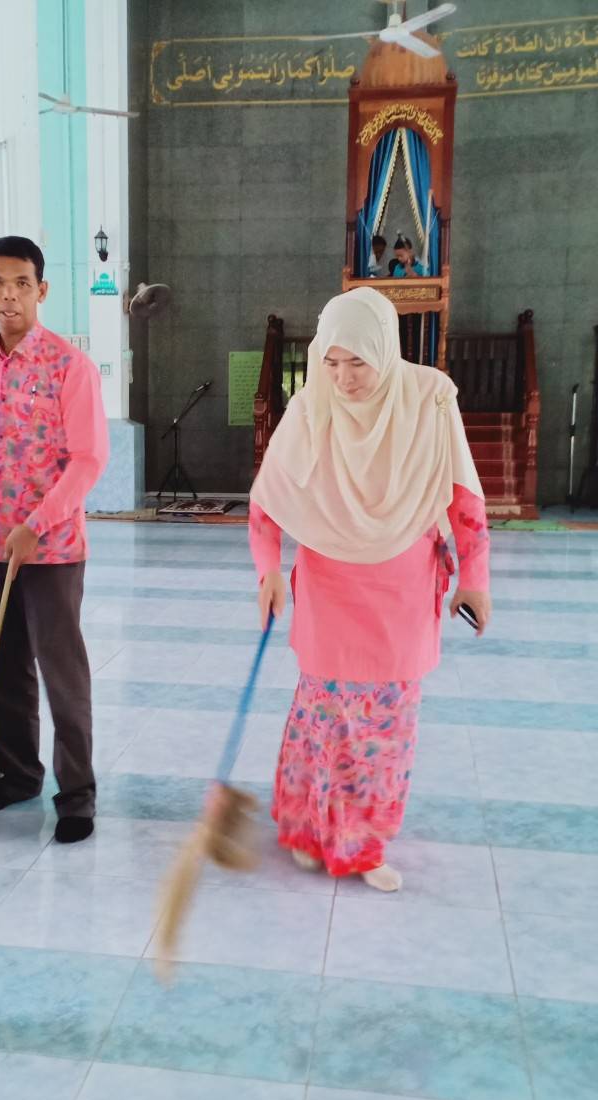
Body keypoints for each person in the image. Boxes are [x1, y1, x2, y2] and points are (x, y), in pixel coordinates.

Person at [249, 287, 490, 892]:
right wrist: (268, 570)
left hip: (402, 588)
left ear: (385, 349)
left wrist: (475, 578)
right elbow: (267, 500)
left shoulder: (430, 398)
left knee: (384, 725)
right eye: (331, 362)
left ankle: (362, 843)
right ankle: (310, 829)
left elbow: (464, 496)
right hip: (328, 585)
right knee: (323, 716)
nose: (343, 377)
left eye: (357, 361)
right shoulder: (311, 406)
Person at [0, 236, 108, 845]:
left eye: (21, 284)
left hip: (51, 551)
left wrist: (39, 522)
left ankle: (77, 793)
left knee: (62, 676)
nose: (9, 295)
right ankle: (18, 773)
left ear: (41, 290)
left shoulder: (68, 366)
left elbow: (88, 460)